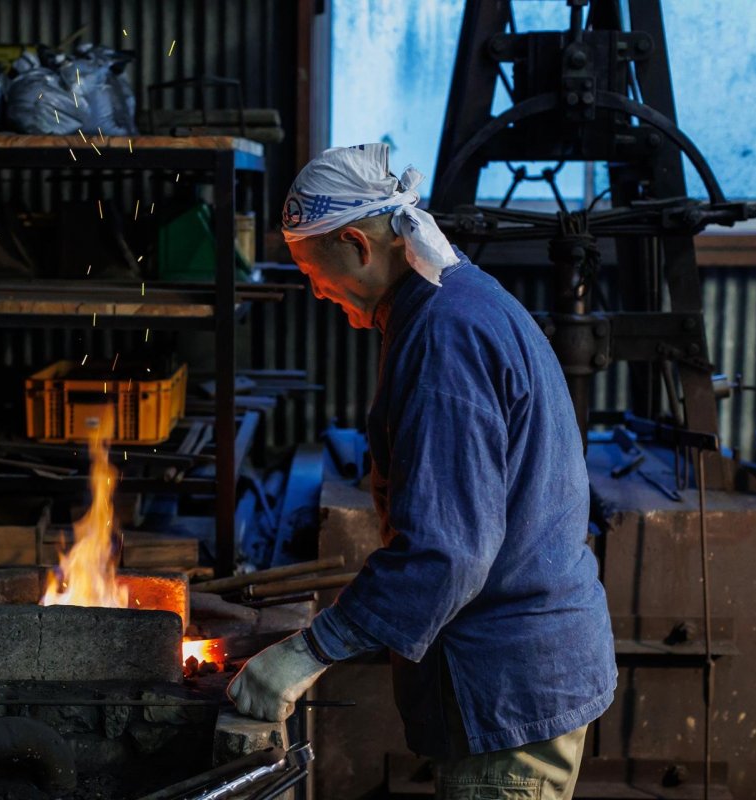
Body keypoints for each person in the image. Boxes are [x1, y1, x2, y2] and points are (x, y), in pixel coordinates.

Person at [226, 143, 617, 798]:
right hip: (513, 661)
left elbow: (446, 554)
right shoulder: (454, 298)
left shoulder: (446, 336)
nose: (322, 295)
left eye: (316, 276)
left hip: (505, 678)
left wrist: (306, 653)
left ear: (356, 243)